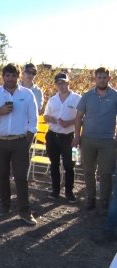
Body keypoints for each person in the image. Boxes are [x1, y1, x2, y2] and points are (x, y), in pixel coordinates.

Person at [0, 63, 38, 225]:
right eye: (7, 75)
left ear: (18, 76)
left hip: (20, 142)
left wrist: (28, 140)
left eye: (13, 75)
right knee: (2, 176)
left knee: (21, 178)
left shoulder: (27, 95)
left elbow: (34, 120)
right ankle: (4, 206)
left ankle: (25, 211)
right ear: (3, 76)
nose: (10, 79)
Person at [72, 67, 117, 214]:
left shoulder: (115, 96)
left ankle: (104, 199)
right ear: (95, 79)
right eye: (99, 77)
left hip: (107, 140)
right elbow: (78, 117)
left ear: (109, 78)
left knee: (106, 172)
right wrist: (77, 136)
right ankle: (90, 198)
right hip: (88, 139)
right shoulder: (87, 96)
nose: (102, 80)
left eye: (105, 77)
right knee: (88, 171)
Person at [43, 72, 81, 203]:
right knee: (54, 164)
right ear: (56, 85)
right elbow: (45, 116)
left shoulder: (78, 98)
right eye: (59, 83)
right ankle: (55, 190)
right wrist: (51, 118)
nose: (62, 85)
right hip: (52, 136)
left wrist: (69, 122)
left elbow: (83, 118)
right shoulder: (52, 100)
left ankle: (69, 192)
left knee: (70, 165)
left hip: (71, 138)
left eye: (64, 83)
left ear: (68, 83)